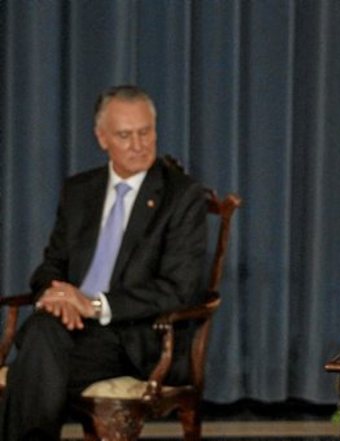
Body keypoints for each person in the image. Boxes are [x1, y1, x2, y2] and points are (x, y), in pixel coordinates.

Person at [0, 85, 207, 440]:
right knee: (44, 332)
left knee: (35, 360)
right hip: (70, 329)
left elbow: (178, 289)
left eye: (145, 132)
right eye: (125, 136)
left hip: (135, 337)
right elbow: (51, 265)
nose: (138, 144)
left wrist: (95, 305)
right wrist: (56, 296)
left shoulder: (181, 196)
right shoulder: (80, 190)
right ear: (102, 138)